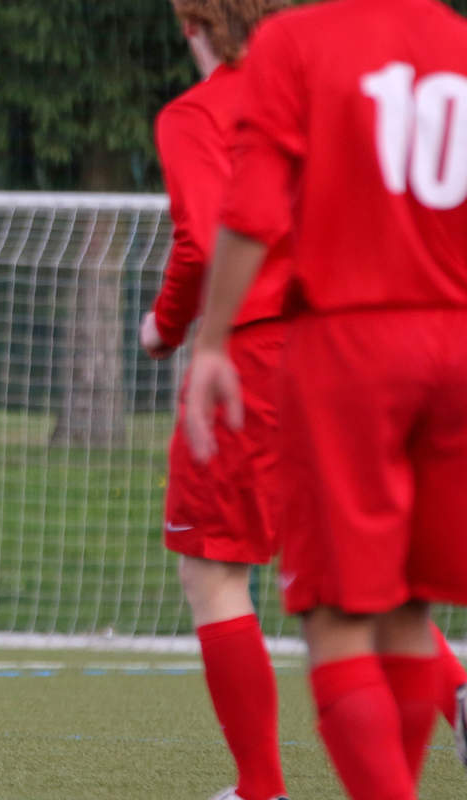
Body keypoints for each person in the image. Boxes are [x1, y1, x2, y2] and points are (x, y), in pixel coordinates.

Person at [183, 0, 467, 797]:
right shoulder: (457, 43)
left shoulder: (297, 42)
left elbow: (253, 210)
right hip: (456, 344)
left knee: (339, 618)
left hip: (351, 346)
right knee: (408, 610)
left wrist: (212, 340)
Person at [140, 3, 293, 799]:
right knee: (356, 577)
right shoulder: (330, 98)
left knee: (213, 571)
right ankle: (455, 692)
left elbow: (203, 240)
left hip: (253, 355)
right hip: (349, 349)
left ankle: (260, 788)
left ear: (192, 26)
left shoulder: (198, 115)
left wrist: (165, 329)